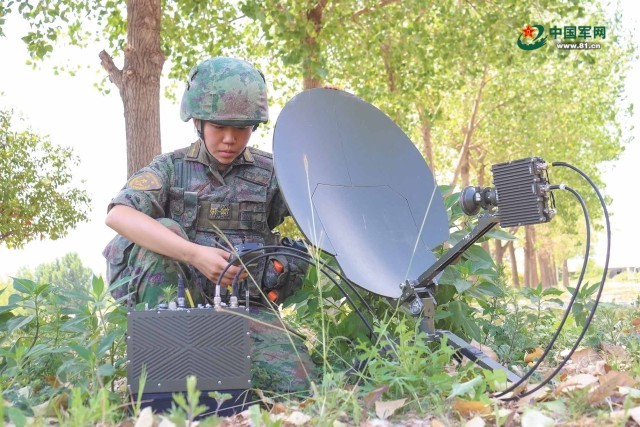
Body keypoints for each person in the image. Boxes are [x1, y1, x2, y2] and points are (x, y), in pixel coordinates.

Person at [103, 56, 315, 394]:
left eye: (241, 128)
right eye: (219, 127)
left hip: (245, 311)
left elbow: (321, 212)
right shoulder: (171, 168)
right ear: (198, 122)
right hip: (176, 310)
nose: (229, 139)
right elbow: (119, 214)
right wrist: (194, 254)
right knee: (164, 230)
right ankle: (163, 376)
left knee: (299, 385)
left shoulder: (273, 173)